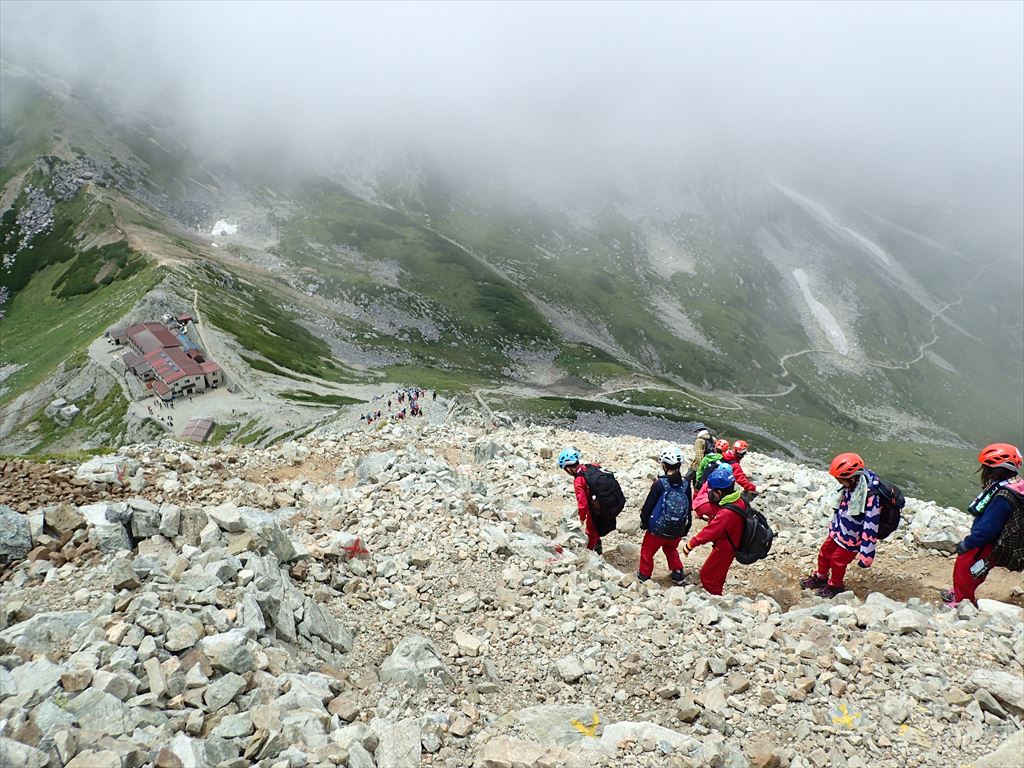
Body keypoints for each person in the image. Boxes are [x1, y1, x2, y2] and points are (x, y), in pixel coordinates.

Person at [942, 443, 1024, 607]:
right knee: (979, 569)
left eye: (986, 467)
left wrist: (968, 543)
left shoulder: (1003, 495)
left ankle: (962, 601)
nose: (984, 471)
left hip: (987, 542)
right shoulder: (1015, 485)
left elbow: (988, 528)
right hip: (1001, 539)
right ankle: (960, 593)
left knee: (965, 567)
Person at [800, 452, 881, 598]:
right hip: (839, 531)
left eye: (841, 479)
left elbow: (871, 525)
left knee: (837, 561)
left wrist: (866, 555)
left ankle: (835, 585)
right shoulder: (851, 486)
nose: (839, 482)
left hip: (852, 538)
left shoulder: (870, 496)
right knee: (825, 552)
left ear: (853, 477)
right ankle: (821, 576)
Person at [680, 464, 746, 595]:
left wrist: (691, 543)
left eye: (713, 491)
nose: (710, 493)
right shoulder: (739, 501)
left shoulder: (726, 514)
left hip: (725, 547)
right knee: (719, 571)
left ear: (720, 492)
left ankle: (715, 597)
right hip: (732, 542)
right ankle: (717, 588)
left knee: (707, 575)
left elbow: (709, 532)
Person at [638, 447, 691, 585]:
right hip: (677, 528)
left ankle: (644, 576)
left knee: (647, 552)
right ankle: (678, 573)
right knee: (671, 549)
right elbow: (689, 508)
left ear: (664, 465)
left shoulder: (660, 483)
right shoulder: (686, 483)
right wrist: (686, 527)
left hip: (657, 529)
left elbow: (649, 506)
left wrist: (644, 522)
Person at [558, 447, 603, 555]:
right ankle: (597, 545)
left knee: (591, 531)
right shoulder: (588, 467)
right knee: (596, 530)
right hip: (603, 501)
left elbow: (583, 504)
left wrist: (581, 520)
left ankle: (592, 554)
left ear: (568, 468)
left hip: (595, 507)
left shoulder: (578, 481)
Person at [685, 424, 715, 491]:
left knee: (686, 480)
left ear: (698, 431)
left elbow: (699, 456)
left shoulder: (699, 441)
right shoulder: (712, 438)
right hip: (709, 464)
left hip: (697, 467)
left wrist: (700, 469)